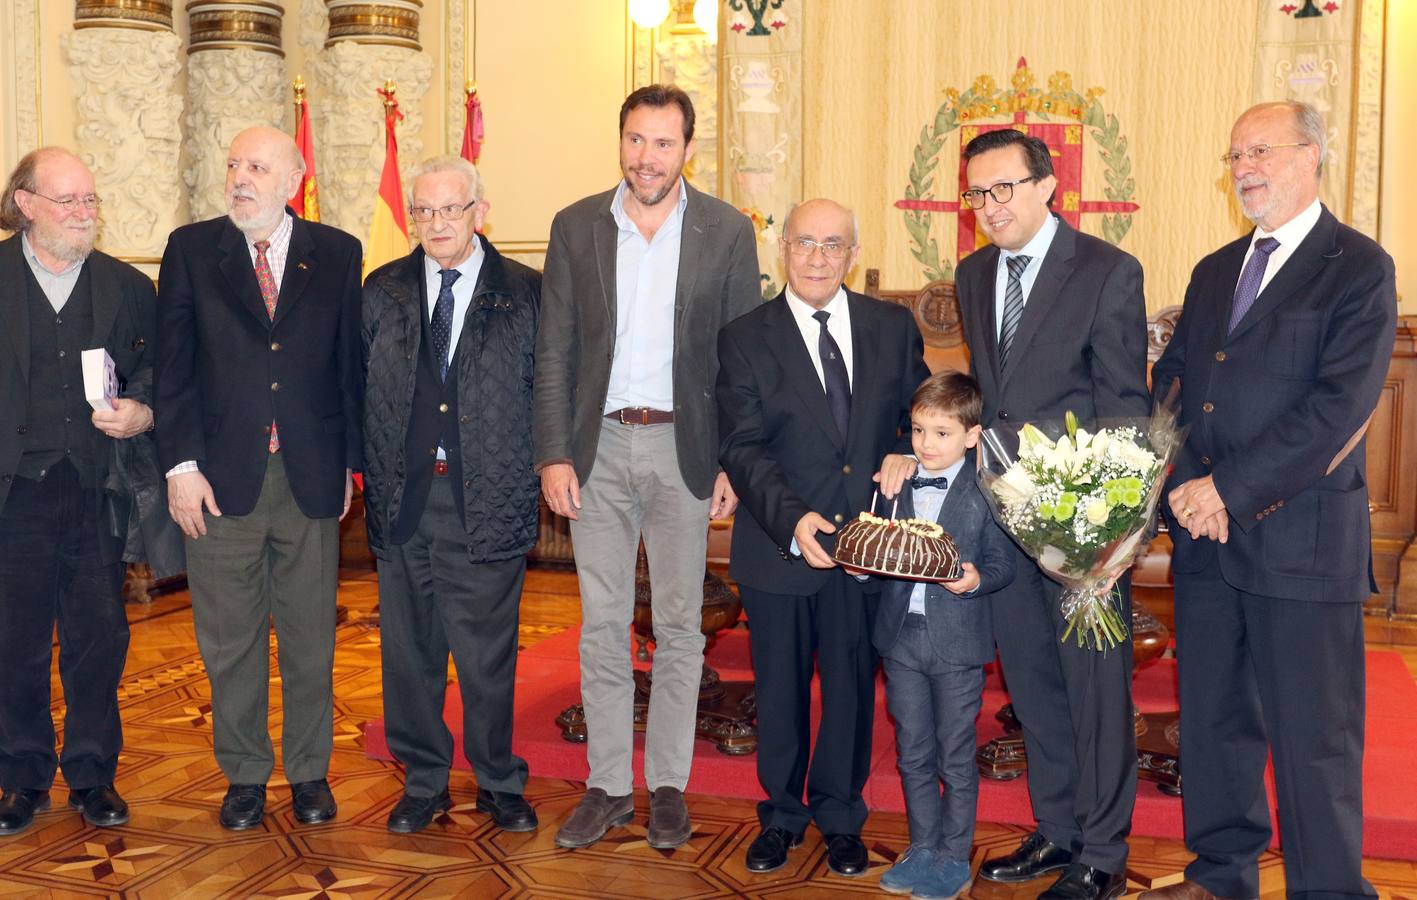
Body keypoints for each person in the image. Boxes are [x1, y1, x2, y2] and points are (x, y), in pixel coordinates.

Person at [1141, 101, 1395, 900]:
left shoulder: (1357, 265)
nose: (1243, 167)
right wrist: (1184, 486)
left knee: (1312, 737)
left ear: (1311, 154)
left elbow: (1337, 406)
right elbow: (1172, 383)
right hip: (1205, 535)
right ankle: (1220, 876)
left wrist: (1229, 488)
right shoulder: (1215, 268)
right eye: (1234, 155)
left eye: (1260, 150)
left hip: (1300, 537)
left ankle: (1327, 889)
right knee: (1213, 722)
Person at [533, 84, 760, 850]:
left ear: (688, 149)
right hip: (595, 447)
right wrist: (553, 452)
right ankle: (605, 785)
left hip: (682, 449)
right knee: (600, 626)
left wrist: (731, 456)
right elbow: (555, 349)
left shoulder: (726, 230)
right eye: (635, 139)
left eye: (663, 143)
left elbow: (738, 357)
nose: (646, 156)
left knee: (678, 625)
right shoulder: (576, 227)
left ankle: (667, 784)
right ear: (620, 141)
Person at [949, 128, 1150, 900]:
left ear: (1046, 187)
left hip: (1082, 522)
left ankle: (1102, 850)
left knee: (1094, 693)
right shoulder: (972, 274)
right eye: (977, 193)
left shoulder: (1105, 271)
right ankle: (1057, 830)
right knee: (1031, 687)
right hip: (1002, 519)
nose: (989, 206)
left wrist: (1105, 537)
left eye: (1003, 188)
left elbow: (1124, 410)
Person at [153, 125, 363, 831]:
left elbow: (348, 371)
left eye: (257, 166)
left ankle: (308, 772)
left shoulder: (336, 253)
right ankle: (244, 773)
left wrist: (348, 466)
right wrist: (179, 466)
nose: (239, 177)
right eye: (234, 164)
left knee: (311, 638)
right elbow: (172, 369)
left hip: (308, 476)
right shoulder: (191, 249)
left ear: (293, 178)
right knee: (228, 638)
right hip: (218, 481)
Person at [717, 197, 930, 877]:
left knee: (848, 689)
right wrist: (794, 519)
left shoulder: (891, 328)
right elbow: (742, 446)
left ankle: (841, 817)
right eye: (805, 243)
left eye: (832, 245)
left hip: (864, 546)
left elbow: (918, 416)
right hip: (780, 541)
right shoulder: (744, 335)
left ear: (852, 255)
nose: (816, 257)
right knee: (777, 691)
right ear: (782, 248)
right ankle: (780, 817)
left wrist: (907, 448)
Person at [361, 155, 539, 835]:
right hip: (403, 499)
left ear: (479, 213)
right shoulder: (381, 290)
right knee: (409, 654)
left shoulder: (526, 292)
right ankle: (424, 781)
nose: (436, 222)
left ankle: (497, 780)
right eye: (424, 210)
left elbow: (547, 394)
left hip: (487, 497)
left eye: (450, 209)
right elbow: (356, 388)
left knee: (487, 656)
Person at [0, 148, 155, 835]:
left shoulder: (127, 288)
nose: (84, 214)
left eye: (90, 201)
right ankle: (23, 772)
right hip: (15, 492)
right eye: (68, 202)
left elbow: (157, 375)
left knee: (99, 638)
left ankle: (94, 773)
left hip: (98, 490)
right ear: (25, 204)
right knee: (15, 639)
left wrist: (141, 412)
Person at [871, 370, 1015, 900]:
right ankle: (923, 847)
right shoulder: (897, 481)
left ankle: (955, 855)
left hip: (958, 643)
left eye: (941, 433)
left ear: (972, 436)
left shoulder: (988, 490)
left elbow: (1004, 564)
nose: (926, 444)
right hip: (901, 637)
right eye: (917, 431)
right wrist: (864, 564)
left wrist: (976, 579)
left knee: (955, 753)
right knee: (912, 751)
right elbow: (875, 541)